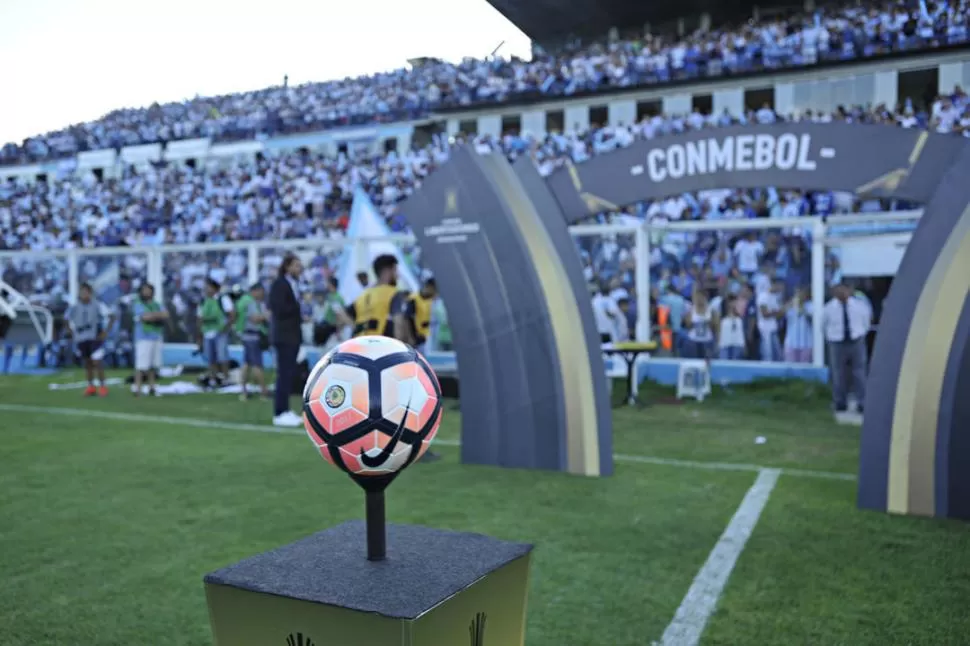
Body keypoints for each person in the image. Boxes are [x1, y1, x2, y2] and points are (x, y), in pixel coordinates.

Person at [823, 282, 871, 413]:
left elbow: (866, 322)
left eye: (844, 290)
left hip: (856, 340)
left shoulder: (859, 306)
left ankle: (862, 402)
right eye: (838, 291)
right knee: (838, 373)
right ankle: (840, 402)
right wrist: (832, 337)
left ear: (849, 290)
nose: (842, 293)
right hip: (837, 342)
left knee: (859, 372)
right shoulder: (828, 308)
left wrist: (859, 334)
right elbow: (824, 325)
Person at [269, 254, 305, 427]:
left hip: (292, 335)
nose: (300, 269)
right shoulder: (280, 284)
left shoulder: (294, 284)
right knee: (283, 374)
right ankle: (280, 412)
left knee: (289, 373)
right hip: (284, 336)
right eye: (297, 266)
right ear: (288, 266)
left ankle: (286, 409)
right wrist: (297, 306)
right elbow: (278, 308)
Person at [342, 254, 410, 341]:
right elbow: (398, 325)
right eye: (395, 270)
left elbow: (341, 313)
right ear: (387, 271)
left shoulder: (364, 295)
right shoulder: (393, 293)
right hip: (381, 345)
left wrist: (354, 327)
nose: (398, 275)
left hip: (359, 344)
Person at [65, 282, 116, 396]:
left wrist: (105, 332)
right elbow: (66, 318)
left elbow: (112, 316)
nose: (84, 294)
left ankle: (102, 386)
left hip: (95, 338)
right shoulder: (75, 307)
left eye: (86, 292)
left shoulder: (98, 305)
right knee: (87, 363)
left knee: (97, 362)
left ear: (90, 293)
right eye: (82, 292)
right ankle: (91, 386)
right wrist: (70, 331)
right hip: (81, 338)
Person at [196, 278, 235, 388]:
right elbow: (199, 319)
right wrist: (199, 335)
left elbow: (232, 315)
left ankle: (226, 378)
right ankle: (213, 378)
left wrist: (225, 329)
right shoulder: (203, 301)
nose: (207, 290)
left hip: (220, 332)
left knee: (223, 357)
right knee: (210, 358)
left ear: (215, 288)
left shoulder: (223, 299)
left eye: (209, 287)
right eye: (206, 288)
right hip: (207, 333)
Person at [132, 282, 168, 396]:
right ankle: (137, 387)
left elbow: (166, 314)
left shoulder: (156, 304)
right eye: (144, 290)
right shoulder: (138, 304)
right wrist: (157, 316)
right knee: (141, 365)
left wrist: (152, 316)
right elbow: (144, 317)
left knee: (153, 364)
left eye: (148, 290)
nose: (146, 292)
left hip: (156, 336)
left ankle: (152, 386)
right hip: (143, 337)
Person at [238, 283, 270, 401]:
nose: (263, 293)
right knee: (257, 364)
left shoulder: (251, 302)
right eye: (261, 291)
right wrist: (267, 315)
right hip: (252, 336)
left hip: (248, 336)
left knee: (247, 364)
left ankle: (244, 392)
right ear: (255, 291)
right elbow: (255, 319)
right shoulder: (250, 303)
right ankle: (263, 392)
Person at [402, 278, 437, 353]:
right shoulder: (414, 299)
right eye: (434, 290)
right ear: (429, 287)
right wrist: (410, 337)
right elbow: (407, 318)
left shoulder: (429, 299)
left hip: (423, 336)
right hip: (415, 338)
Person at [684, 289, 718, 359]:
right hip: (693, 340)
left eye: (701, 297)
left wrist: (708, 323)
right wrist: (695, 323)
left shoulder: (711, 310)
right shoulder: (691, 310)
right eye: (697, 297)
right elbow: (688, 326)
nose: (699, 299)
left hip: (707, 341)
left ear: (705, 298)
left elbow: (716, 327)